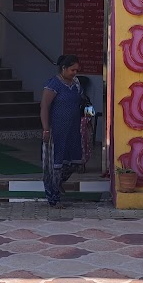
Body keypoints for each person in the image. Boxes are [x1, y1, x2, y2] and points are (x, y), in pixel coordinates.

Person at [40, 54, 85, 208]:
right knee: (54, 165)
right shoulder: (54, 84)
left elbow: (83, 101)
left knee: (74, 161)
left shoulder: (77, 84)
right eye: (72, 70)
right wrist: (46, 129)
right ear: (64, 68)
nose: (75, 73)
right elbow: (44, 107)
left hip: (72, 130)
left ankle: (60, 183)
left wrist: (89, 116)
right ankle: (53, 199)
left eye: (76, 70)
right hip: (56, 131)